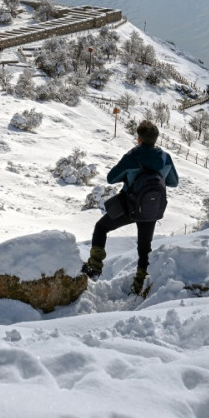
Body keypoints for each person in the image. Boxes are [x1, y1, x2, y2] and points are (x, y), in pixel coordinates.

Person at [82, 120, 179, 294]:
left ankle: (94, 268)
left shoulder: (133, 156)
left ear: (139, 139)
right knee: (144, 247)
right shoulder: (165, 157)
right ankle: (139, 284)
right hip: (151, 208)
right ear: (155, 139)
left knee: (101, 228)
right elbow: (173, 182)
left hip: (128, 206)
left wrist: (130, 172)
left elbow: (111, 178)